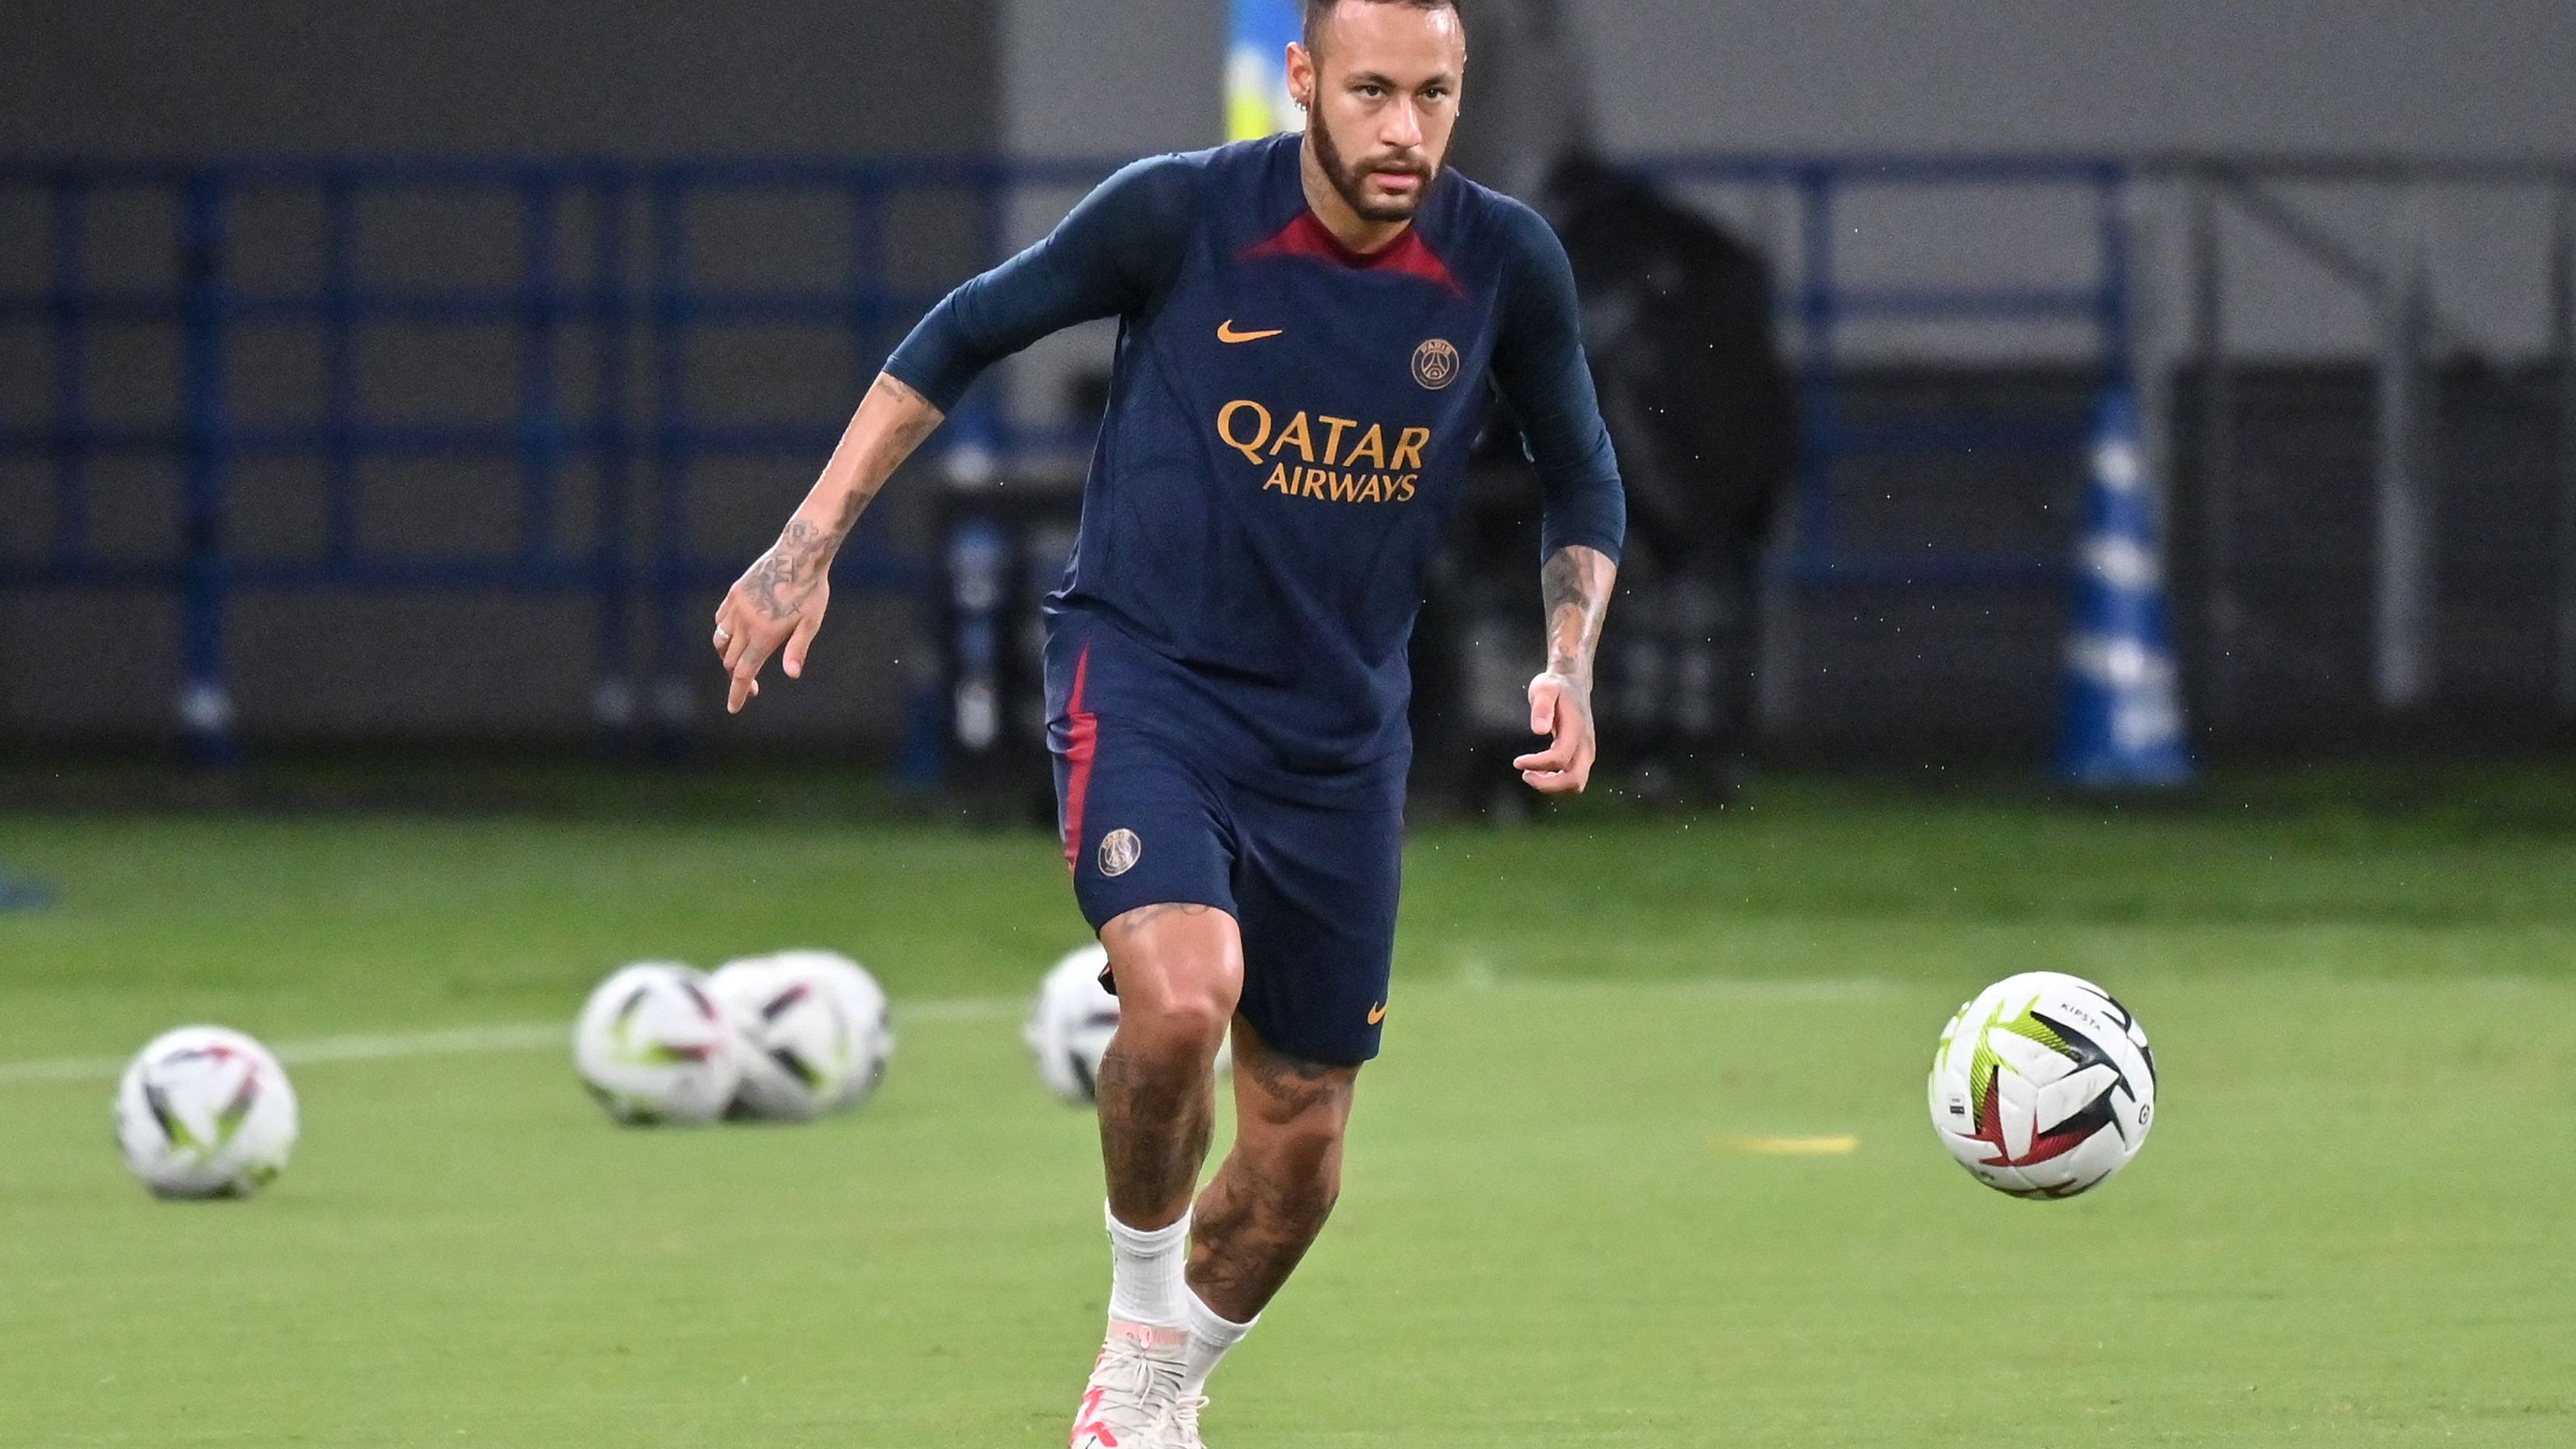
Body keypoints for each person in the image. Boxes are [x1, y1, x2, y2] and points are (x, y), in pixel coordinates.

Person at [707, 2, 1624, 1443]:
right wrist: (806, 543)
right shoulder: (1180, 215)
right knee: (1184, 993)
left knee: (1305, 1149)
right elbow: (959, 335)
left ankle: (1148, 1392)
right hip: (1152, 680)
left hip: (1340, 739)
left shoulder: (1504, 257)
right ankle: (1141, 1327)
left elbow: (1582, 471)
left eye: (1435, 95)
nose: (1405, 131)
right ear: (1303, 81)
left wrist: (1570, 656)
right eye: (1373, 92)